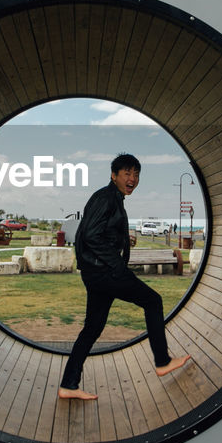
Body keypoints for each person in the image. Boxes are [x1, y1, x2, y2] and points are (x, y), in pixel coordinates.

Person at [58, 153, 190, 401]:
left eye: (136, 174)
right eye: (127, 173)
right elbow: (89, 236)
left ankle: (69, 385)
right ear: (114, 175)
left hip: (97, 272)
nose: (133, 179)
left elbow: (98, 232)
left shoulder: (113, 198)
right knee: (153, 301)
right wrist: (117, 265)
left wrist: (120, 239)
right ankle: (162, 361)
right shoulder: (106, 198)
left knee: (92, 329)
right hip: (105, 272)